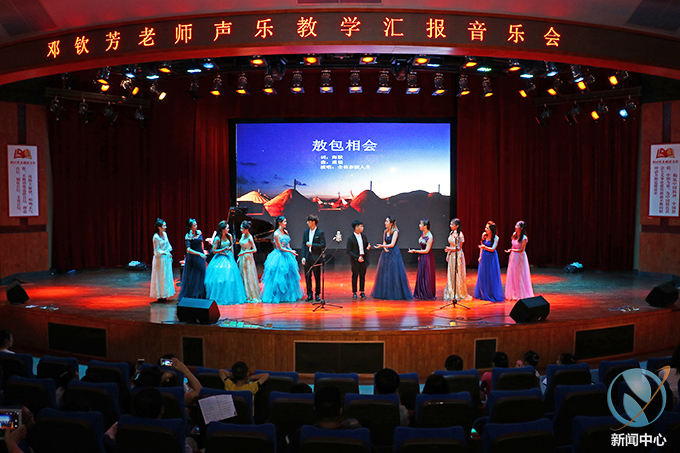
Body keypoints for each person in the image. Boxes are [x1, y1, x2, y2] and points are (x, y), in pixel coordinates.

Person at [261, 216, 304, 303]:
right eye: (284, 221)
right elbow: (280, 247)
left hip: (287, 255)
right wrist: (291, 251)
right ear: (279, 222)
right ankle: (279, 296)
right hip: (279, 256)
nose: (286, 223)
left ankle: (288, 295)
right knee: (279, 276)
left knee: (289, 275)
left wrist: (291, 251)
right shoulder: (276, 234)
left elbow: (288, 244)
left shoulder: (285, 231)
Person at [205, 220, 247, 305]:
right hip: (220, 257)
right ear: (222, 229)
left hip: (229, 257)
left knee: (231, 278)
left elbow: (231, 248)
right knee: (220, 278)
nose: (228, 229)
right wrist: (223, 250)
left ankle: (230, 296)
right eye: (227, 228)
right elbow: (214, 251)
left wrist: (233, 257)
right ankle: (220, 296)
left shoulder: (229, 236)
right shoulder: (218, 238)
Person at [371, 216, 413, 300]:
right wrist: (384, 247)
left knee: (393, 272)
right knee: (384, 272)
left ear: (391, 223)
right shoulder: (385, 231)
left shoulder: (395, 232)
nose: (385, 223)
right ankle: (385, 292)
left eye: (386, 221)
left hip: (393, 253)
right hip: (386, 253)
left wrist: (382, 246)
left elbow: (392, 244)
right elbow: (384, 241)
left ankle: (394, 292)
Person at [474, 221, 504, 302]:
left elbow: (493, 249)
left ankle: (491, 293)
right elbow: (481, 246)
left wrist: (484, 247)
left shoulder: (496, 238)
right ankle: (483, 293)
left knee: (491, 274)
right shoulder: (484, 235)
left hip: (491, 258)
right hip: (484, 257)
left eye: (487, 228)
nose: (485, 229)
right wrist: (480, 256)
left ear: (491, 229)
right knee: (483, 274)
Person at [504, 220, 535, 300]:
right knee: (513, 274)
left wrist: (512, 250)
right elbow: (513, 245)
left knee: (519, 275)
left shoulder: (524, 238)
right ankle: (513, 293)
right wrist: (510, 250)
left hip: (520, 257)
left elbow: (521, 250)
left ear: (521, 228)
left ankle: (520, 293)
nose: (515, 227)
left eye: (517, 226)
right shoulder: (514, 235)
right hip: (513, 257)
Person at [443, 218, 472, 302]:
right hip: (452, 255)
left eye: (452, 224)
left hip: (457, 256)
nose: (450, 226)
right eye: (450, 224)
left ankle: (458, 293)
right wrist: (448, 253)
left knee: (457, 273)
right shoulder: (451, 233)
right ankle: (451, 291)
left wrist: (450, 249)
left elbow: (459, 248)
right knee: (451, 273)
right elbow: (451, 245)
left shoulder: (460, 235)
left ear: (457, 226)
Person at [177, 218, 206, 300]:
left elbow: (201, 243)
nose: (196, 226)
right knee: (193, 276)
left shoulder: (199, 232)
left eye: (196, 224)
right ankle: (192, 295)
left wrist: (203, 251)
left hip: (200, 257)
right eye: (194, 225)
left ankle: (200, 294)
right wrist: (199, 253)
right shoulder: (188, 236)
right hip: (192, 257)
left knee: (200, 276)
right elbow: (188, 249)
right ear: (190, 227)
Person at [409, 218, 436, 300]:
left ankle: (427, 293)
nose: (419, 225)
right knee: (421, 273)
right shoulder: (423, 233)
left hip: (427, 257)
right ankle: (420, 292)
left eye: (421, 224)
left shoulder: (430, 237)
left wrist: (415, 251)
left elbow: (427, 250)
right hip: (422, 256)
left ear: (425, 226)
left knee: (426, 274)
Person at [301, 214, 326, 302]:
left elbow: (323, 245)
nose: (307, 223)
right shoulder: (306, 232)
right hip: (307, 257)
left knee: (317, 276)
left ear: (313, 222)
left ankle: (317, 294)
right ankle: (309, 294)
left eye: (309, 221)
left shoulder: (320, 233)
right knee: (307, 276)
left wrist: (312, 245)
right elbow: (304, 245)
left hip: (316, 257)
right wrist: (303, 256)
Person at [150, 218, 175, 302]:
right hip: (159, 259)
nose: (165, 227)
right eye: (164, 226)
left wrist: (168, 252)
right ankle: (160, 295)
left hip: (166, 259)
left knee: (165, 276)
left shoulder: (165, 234)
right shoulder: (155, 237)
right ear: (159, 227)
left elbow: (168, 245)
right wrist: (165, 253)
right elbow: (157, 250)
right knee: (160, 276)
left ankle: (165, 294)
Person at [237, 220, 261, 303]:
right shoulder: (242, 235)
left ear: (247, 229)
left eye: (242, 229)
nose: (241, 230)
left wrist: (245, 252)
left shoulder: (250, 237)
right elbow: (242, 247)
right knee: (243, 275)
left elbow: (254, 249)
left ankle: (250, 295)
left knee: (248, 276)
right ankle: (244, 294)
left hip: (247, 258)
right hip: (242, 257)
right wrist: (239, 257)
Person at [346, 220, 371, 299]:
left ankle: (362, 291)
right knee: (355, 275)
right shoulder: (350, 238)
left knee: (362, 276)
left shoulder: (364, 237)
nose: (362, 228)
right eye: (361, 226)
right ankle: (354, 292)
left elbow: (366, 245)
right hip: (355, 260)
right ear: (356, 227)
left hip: (363, 258)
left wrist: (368, 247)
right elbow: (348, 250)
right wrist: (357, 257)